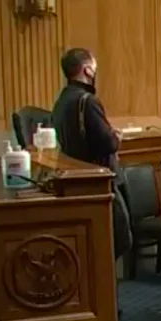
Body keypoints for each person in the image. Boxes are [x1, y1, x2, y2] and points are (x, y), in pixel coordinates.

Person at [50, 47, 133, 265]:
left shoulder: (61, 100)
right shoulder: (87, 101)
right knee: (117, 239)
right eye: (94, 67)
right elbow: (108, 143)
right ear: (86, 70)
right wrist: (116, 137)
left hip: (76, 180)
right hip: (99, 181)